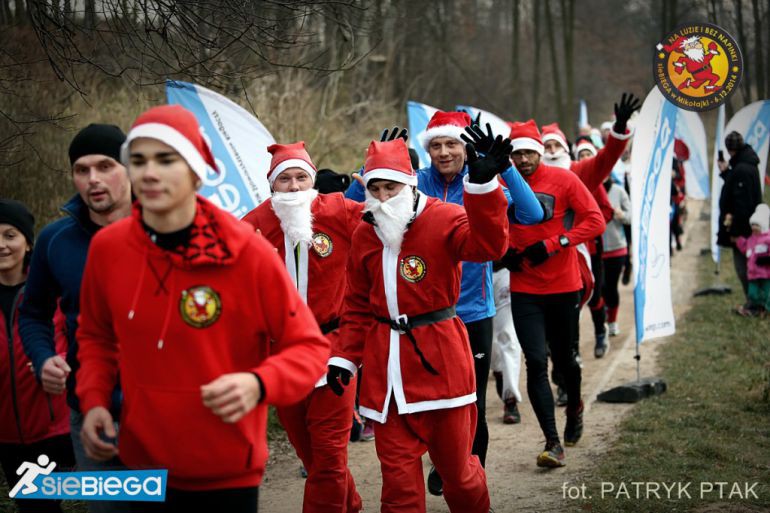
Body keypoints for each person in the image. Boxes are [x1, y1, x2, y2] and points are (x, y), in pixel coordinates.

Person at [75, 105, 330, 513]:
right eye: (138, 160)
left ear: (196, 170)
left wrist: (258, 384)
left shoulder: (246, 250)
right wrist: (95, 401)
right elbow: (95, 337)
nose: (150, 172)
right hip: (136, 463)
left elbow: (309, 349)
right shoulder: (108, 249)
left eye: (166, 159)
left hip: (225, 470)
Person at [344, 113, 543, 495]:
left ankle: (467, 476)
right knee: (415, 409)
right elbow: (364, 208)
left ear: (465, 147)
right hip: (414, 319)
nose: (444, 152)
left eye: (452, 144)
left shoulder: (479, 178)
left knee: (470, 409)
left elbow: (528, 216)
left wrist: (497, 175)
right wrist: (373, 165)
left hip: (472, 310)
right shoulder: (414, 184)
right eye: (436, 145)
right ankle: (446, 465)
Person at [242, 141, 363, 513]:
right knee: (311, 455)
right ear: (271, 185)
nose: (294, 187)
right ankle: (351, 504)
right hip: (282, 357)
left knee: (328, 456)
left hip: (333, 351)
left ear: (312, 180)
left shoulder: (339, 211)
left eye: (301, 178)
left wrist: (386, 179)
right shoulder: (252, 226)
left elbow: (390, 218)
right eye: (285, 179)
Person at [18, 123, 133, 513]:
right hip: (90, 415)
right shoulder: (55, 240)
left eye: (105, 166)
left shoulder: (167, 231)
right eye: (81, 170)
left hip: (164, 414)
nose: (93, 179)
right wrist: (43, 356)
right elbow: (32, 313)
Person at [499, 119, 605, 467]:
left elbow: (594, 220)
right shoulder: (501, 184)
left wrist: (556, 242)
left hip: (563, 287)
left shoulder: (565, 179)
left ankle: (574, 406)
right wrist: (503, 253)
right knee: (535, 362)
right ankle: (552, 442)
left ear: (540, 152)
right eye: (518, 154)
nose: (524, 159)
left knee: (566, 363)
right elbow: (489, 225)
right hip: (524, 288)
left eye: (530, 152)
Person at [0, 199, 74, 513]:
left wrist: (55, 358)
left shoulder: (53, 289)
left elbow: (84, 339)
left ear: (28, 243)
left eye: (9, 235)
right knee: (33, 507)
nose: (1, 245)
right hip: (6, 434)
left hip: (56, 428)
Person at [717, 130, 763, 304]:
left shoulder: (741, 169)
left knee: (744, 267)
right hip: (749, 227)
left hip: (743, 230)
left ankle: (753, 303)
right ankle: (755, 302)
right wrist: (725, 172)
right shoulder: (744, 165)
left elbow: (742, 204)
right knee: (750, 267)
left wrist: (735, 232)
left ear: (729, 149)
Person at [600, 176, 631, 341]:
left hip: (617, 248)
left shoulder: (618, 191)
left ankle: (612, 321)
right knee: (600, 288)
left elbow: (631, 216)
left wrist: (621, 215)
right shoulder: (589, 188)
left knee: (610, 287)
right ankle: (604, 313)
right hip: (596, 250)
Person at [734, 204, 770, 316]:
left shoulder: (768, 239)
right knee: (752, 293)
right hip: (753, 274)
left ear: (763, 226)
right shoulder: (750, 239)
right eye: (753, 225)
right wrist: (737, 240)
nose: (754, 227)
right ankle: (758, 306)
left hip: (765, 274)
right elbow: (745, 248)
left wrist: (765, 260)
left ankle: (766, 309)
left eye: (757, 225)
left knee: (767, 293)